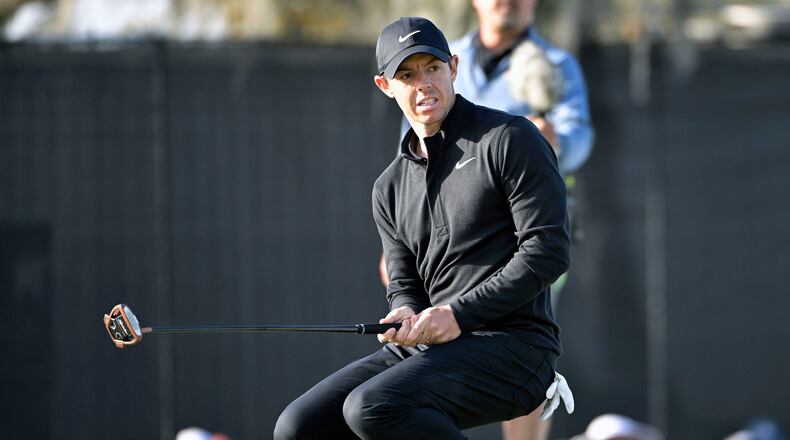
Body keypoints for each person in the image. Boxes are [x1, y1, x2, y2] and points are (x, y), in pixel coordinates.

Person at [274, 16, 571, 439]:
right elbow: (405, 284)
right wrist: (404, 310)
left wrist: (458, 314)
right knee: (299, 427)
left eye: (432, 68)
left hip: (517, 348)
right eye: (407, 75)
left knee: (371, 407)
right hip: (431, 347)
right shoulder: (389, 187)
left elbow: (548, 252)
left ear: (453, 67)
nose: (424, 85)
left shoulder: (510, 138)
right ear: (385, 86)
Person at [449, 1, 594, 438]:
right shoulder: (441, 58)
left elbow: (579, 138)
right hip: (452, 235)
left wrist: (554, 138)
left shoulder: (556, 64)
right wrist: (397, 243)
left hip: (527, 235)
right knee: (425, 357)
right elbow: (411, 153)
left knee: (521, 349)